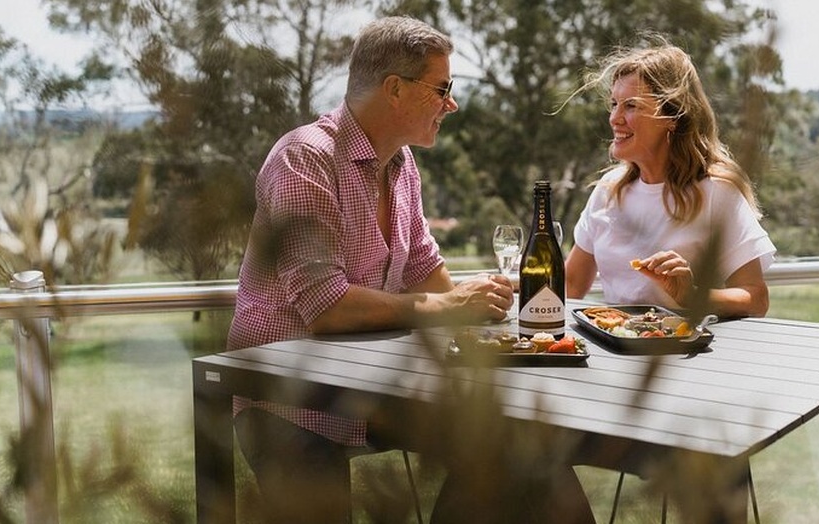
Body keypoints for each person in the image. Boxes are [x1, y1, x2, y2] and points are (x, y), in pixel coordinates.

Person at [227, 16, 595, 523]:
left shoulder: (401, 166)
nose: (452, 103)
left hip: (370, 391)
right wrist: (448, 305)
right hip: (288, 400)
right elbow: (326, 307)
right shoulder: (304, 160)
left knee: (515, 443)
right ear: (395, 89)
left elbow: (425, 269)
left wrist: (488, 313)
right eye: (442, 88)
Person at [563, 38, 776, 318]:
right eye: (614, 104)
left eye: (631, 106)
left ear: (673, 116)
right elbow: (570, 284)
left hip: (681, 357)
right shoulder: (607, 191)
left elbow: (755, 298)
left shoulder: (717, 192)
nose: (615, 118)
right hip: (610, 349)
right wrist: (503, 284)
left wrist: (691, 295)